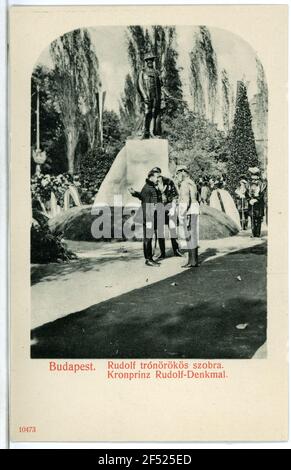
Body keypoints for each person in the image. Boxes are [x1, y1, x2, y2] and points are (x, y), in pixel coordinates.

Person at [129, 167, 183, 259]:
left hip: (169, 207)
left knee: (173, 229)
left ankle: (176, 250)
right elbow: (144, 196)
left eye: (158, 176)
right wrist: (135, 193)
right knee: (160, 231)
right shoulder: (152, 185)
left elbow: (174, 196)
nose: (157, 179)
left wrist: (173, 207)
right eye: (155, 176)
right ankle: (162, 252)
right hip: (158, 209)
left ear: (160, 175)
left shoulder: (168, 182)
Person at [176, 165, 200, 268]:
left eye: (178, 173)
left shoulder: (185, 183)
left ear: (183, 172)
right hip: (194, 210)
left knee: (189, 236)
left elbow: (185, 200)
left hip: (189, 211)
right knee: (192, 235)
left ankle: (192, 261)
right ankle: (193, 260)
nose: (177, 176)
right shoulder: (192, 182)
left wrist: (181, 214)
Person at [138, 169, 161, 267]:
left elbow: (142, 197)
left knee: (148, 237)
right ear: (151, 177)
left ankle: (149, 258)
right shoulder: (149, 188)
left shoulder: (148, 186)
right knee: (148, 238)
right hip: (149, 216)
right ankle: (148, 259)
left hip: (148, 215)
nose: (158, 179)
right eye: (157, 177)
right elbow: (151, 204)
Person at [137, 52, 163, 139]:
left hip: (155, 96)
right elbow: (140, 85)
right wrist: (144, 96)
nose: (150, 62)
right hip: (147, 96)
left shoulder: (156, 73)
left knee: (153, 113)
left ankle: (151, 132)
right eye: (148, 60)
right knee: (146, 112)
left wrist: (167, 95)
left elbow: (161, 86)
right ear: (146, 61)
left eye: (151, 60)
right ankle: (144, 132)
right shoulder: (142, 72)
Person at [248, 168, 265, 238]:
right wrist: (249, 199)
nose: (254, 179)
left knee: (258, 219)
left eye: (255, 177)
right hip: (251, 203)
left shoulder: (262, 184)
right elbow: (246, 193)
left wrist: (256, 200)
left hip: (258, 204)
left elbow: (262, 194)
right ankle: (253, 233)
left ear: (258, 176)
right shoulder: (248, 184)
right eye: (252, 177)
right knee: (252, 218)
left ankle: (257, 233)